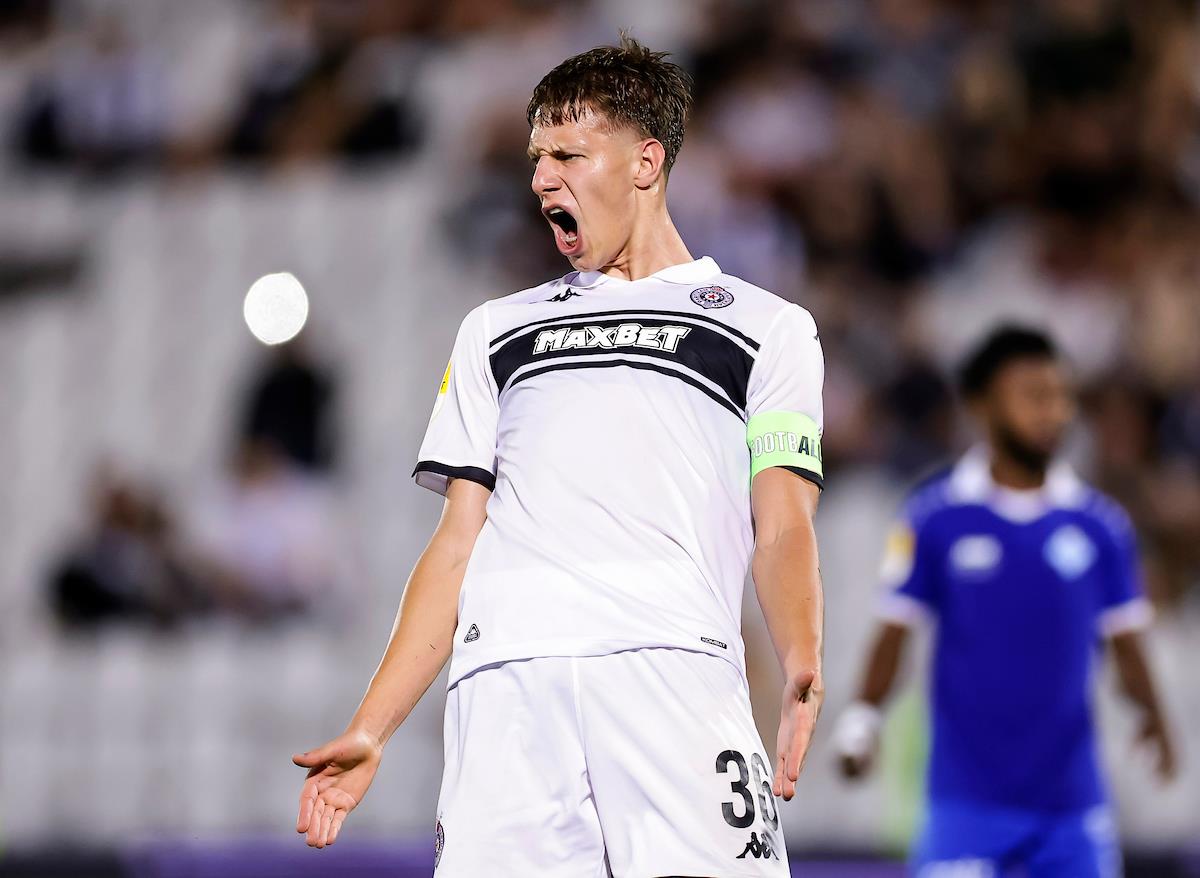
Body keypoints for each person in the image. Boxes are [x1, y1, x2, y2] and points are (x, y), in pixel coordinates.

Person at [293, 35, 825, 875]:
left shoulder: (766, 327)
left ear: (646, 163)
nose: (542, 179)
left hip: (672, 669)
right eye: (537, 158)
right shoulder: (495, 331)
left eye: (569, 156)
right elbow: (457, 544)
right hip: (507, 684)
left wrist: (800, 653)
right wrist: (373, 725)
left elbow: (784, 522)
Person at [833, 326, 1176, 878]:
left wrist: (1154, 717)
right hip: (963, 808)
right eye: (1033, 396)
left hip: (1073, 812)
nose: (1053, 413)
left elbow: (1127, 641)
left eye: (1060, 397)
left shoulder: (1101, 525)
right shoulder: (934, 518)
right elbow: (895, 631)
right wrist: (862, 719)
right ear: (982, 406)